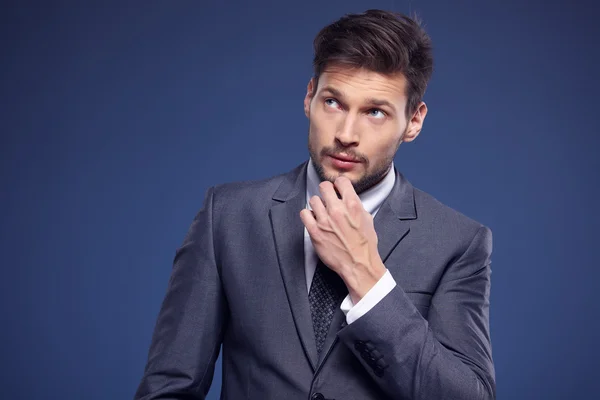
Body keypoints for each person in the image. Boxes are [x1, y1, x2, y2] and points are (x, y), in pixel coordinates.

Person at [134, 9, 495, 400]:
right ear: (309, 97)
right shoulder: (229, 215)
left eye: (375, 112)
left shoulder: (459, 242)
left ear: (413, 121)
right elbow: (168, 387)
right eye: (334, 102)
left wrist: (368, 278)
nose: (345, 134)